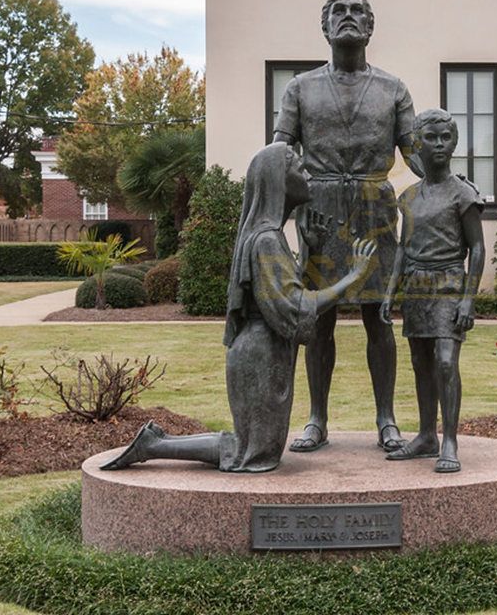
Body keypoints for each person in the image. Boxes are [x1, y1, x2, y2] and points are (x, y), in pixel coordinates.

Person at [101, 142, 376, 473]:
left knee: (253, 450)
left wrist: (313, 254)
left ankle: (155, 443)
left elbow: (285, 292)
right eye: (298, 167)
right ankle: (155, 445)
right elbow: (294, 305)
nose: (307, 173)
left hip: (263, 352)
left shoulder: (268, 235)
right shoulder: (267, 239)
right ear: (278, 180)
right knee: (253, 453)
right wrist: (353, 277)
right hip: (260, 357)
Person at [273, 0, 421, 454]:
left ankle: (386, 419)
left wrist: (449, 182)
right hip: (318, 210)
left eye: (358, 11)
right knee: (319, 317)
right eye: (339, 11)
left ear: (370, 27)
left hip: (375, 208)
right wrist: (277, 212)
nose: (348, 18)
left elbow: (415, 152)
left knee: (380, 318)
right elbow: (280, 152)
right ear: (325, 27)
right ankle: (317, 418)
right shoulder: (299, 89)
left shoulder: (393, 89)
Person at [380, 109, 485, 473]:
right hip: (417, 287)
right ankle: (426, 435)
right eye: (431, 138)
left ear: (454, 142)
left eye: (446, 137)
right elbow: (403, 248)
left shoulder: (463, 194)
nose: (439, 144)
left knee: (444, 362)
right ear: (417, 144)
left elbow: (478, 248)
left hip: (449, 284)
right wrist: (391, 292)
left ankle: (450, 440)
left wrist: (469, 299)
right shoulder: (407, 198)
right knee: (421, 364)